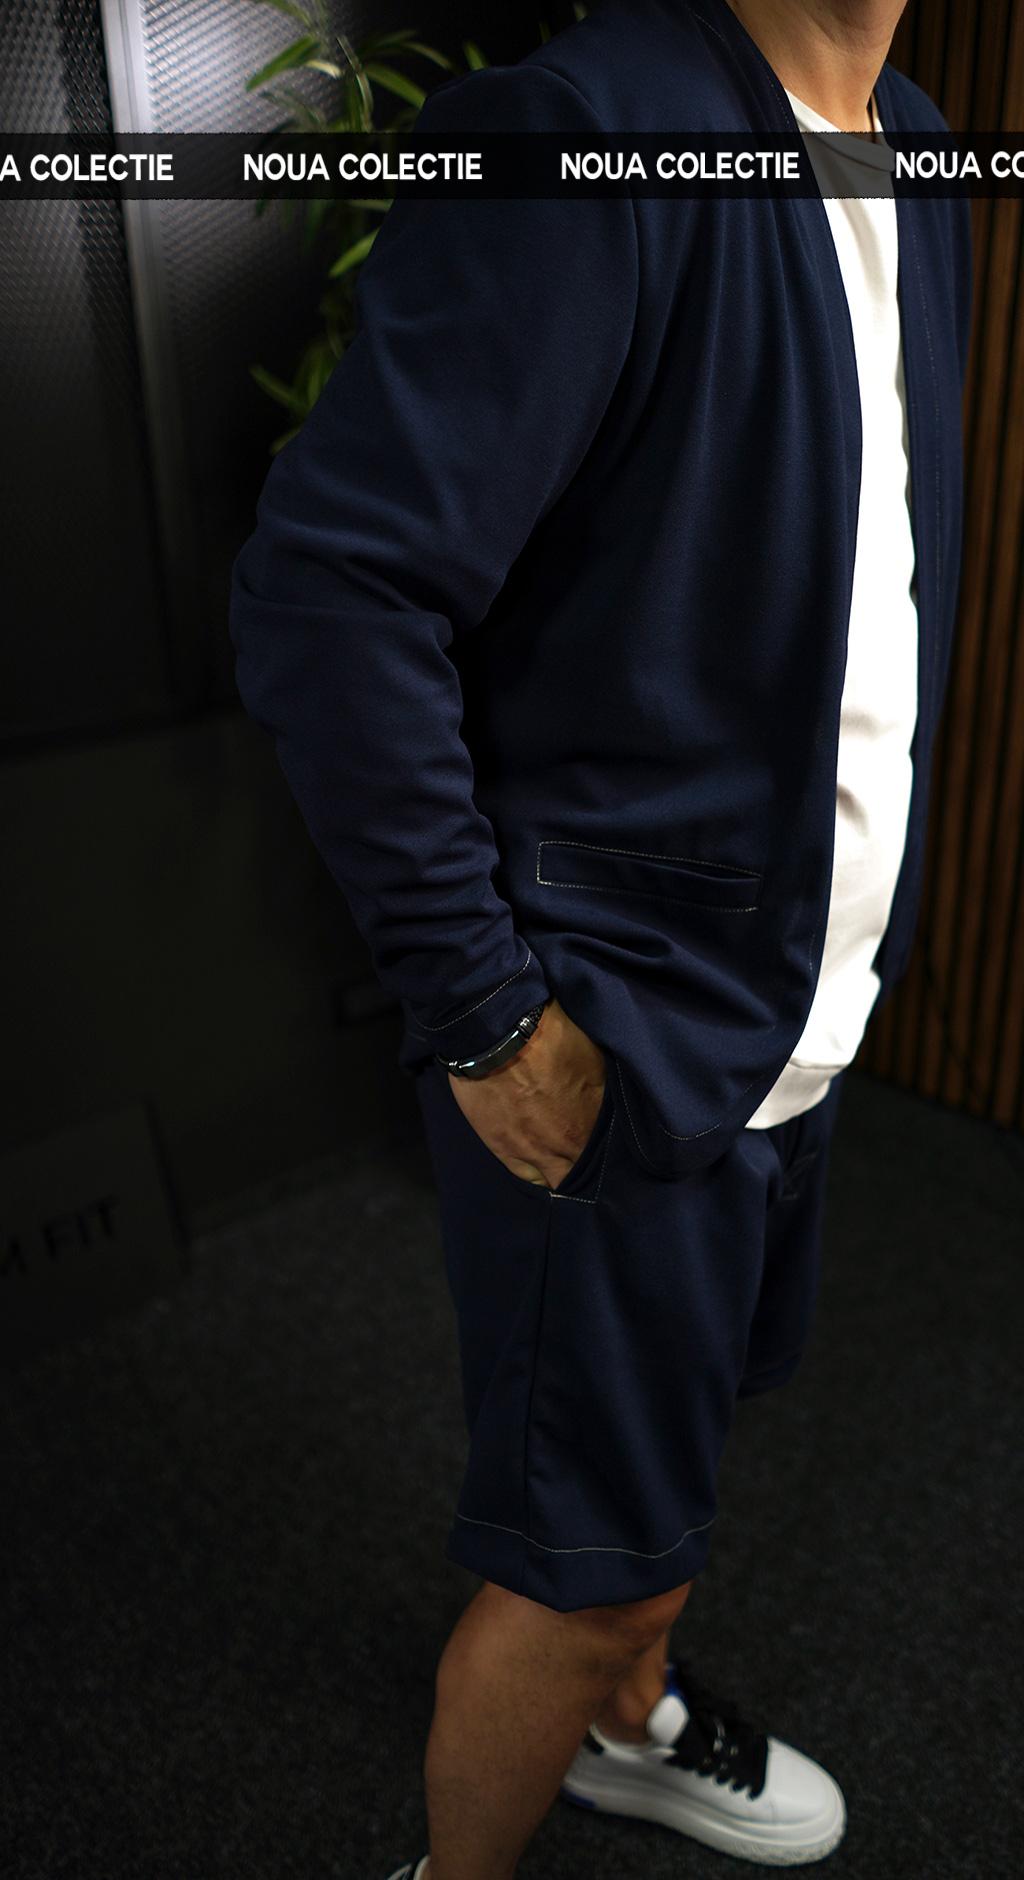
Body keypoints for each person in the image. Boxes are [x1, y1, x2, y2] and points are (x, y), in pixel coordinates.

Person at [229, 0, 972, 1872]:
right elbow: (333, 592)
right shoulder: (584, 132)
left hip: (792, 1011)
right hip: (615, 1029)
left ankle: (626, 1728)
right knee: (580, 1571)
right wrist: (489, 1012)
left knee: (667, 1480)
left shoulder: (916, 146)